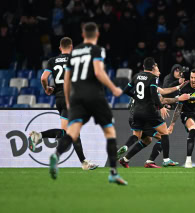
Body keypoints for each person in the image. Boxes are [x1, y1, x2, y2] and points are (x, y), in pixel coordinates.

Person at [49, 22, 127, 185]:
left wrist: (70, 101)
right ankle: (113, 172)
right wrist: (113, 88)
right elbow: (98, 72)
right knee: (109, 132)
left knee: (72, 133)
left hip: (76, 97)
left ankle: (56, 155)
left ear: (83, 36)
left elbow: (67, 79)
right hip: (94, 95)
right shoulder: (97, 50)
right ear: (97, 35)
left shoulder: (75, 52)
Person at [28, 37, 98, 171]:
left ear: (60, 48)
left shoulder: (52, 61)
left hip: (59, 99)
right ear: (71, 47)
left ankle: (84, 163)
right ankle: (38, 136)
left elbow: (43, 78)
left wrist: (47, 88)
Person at [118, 81, 190, 168]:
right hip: (143, 117)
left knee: (147, 140)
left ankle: (125, 159)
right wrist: (178, 99)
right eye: (157, 69)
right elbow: (162, 100)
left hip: (134, 116)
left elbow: (162, 91)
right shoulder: (151, 86)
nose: (158, 72)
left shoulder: (141, 86)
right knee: (162, 137)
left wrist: (178, 87)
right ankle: (151, 161)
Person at [123, 57, 178, 167]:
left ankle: (125, 151)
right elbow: (155, 93)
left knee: (141, 138)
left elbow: (125, 90)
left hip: (136, 113)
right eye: (157, 67)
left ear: (143, 66)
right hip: (148, 112)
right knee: (164, 133)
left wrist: (137, 98)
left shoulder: (136, 76)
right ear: (153, 67)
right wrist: (161, 106)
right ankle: (165, 159)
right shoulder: (153, 78)